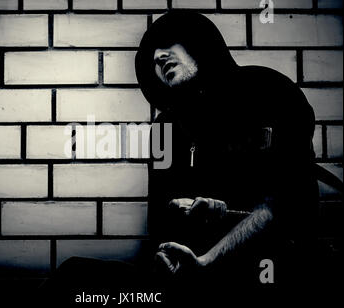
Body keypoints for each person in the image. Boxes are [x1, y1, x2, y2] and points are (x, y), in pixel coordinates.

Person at [135, 10, 320, 289]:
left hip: (272, 271)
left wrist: (216, 236)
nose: (158, 58)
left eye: (168, 44)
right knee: (75, 274)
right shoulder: (165, 129)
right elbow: (160, 224)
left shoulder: (270, 91)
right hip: (189, 282)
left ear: (198, 42)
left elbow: (290, 206)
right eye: (152, 59)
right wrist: (164, 258)